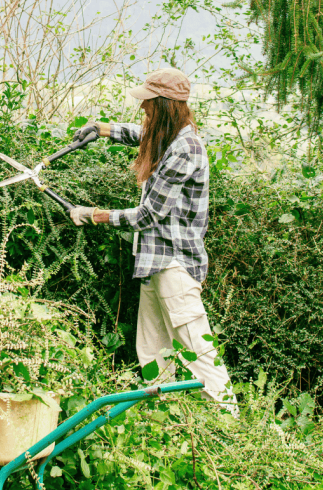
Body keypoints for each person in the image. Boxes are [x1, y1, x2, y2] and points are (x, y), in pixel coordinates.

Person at [68, 68, 235, 409]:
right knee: (153, 351)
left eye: (147, 103)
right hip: (155, 263)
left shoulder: (185, 149)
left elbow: (148, 215)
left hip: (174, 265)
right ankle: (165, 422)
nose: (142, 108)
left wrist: (94, 214)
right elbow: (141, 134)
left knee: (198, 354)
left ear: (163, 106)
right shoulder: (170, 135)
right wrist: (102, 129)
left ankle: (232, 426)